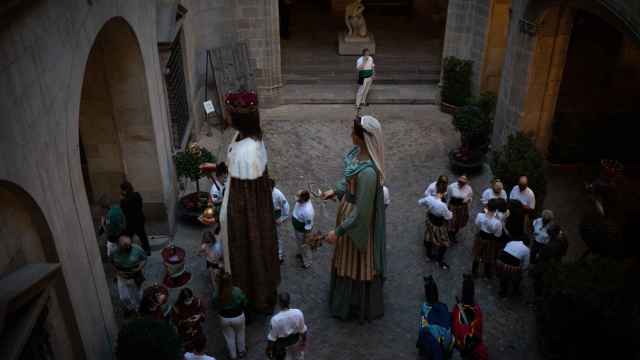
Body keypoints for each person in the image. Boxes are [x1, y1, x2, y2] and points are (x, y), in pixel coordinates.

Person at [218, 91, 280, 313]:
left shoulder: (249, 151)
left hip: (247, 216)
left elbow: (246, 198)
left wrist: (232, 218)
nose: (225, 117)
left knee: (249, 253)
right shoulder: (243, 137)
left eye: (229, 113)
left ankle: (253, 297)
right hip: (248, 204)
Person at [322, 115, 386, 322]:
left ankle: (353, 305)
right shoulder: (358, 157)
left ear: (361, 138)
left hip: (355, 224)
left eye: (353, 132)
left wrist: (338, 231)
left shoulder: (368, 173)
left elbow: (362, 213)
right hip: (347, 215)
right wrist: (336, 190)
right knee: (344, 258)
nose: (350, 135)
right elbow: (349, 183)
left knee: (353, 263)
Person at [416, 276, 454, 360]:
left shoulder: (425, 309)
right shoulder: (444, 307)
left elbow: (423, 328)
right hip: (446, 342)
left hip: (435, 345)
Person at [452, 275, 488, 360]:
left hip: (460, 345)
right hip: (474, 346)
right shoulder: (477, 310)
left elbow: (454, 327)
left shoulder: (457, 309)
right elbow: (479, 331)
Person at [419, 182, 453, 270]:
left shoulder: (429, 198)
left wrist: (428, 207)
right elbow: (448, 216)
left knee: (429, 237)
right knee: (444, 243)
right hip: (438, 225)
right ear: (445, 192)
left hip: (430, 221)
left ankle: (429, 255)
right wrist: (451, 212)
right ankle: (439, 259)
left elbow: (420, 202)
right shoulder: (443, 205)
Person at [111, 234, 147, 315]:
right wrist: (117, 272)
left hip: (135, 276)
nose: (127, 248)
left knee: (138, 294)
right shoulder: (113, 252)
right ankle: (130, 307)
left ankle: (138, 307)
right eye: (124, 246)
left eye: (129, 245)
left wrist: (139, 268)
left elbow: (144, 259)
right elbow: (112, 263)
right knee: (123, 297)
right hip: (122, 277)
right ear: (118, 246)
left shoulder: (137, 249)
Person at [215, 273, 248, 360]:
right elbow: (245, 301)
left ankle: (233, 356)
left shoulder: (217, 293)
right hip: (238, 316)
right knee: (240, 334)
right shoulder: (236, 291)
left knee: (229, 337)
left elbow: (214, 304)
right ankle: (241, 352)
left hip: (224, 318)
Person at [266, 292, 308, 360]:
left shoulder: (275, 320)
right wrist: (304, 342)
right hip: (295, 343)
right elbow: (303, 331)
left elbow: (272, 339)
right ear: (289, 302)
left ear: (279, 303)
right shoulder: (298, 313)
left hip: (282, 348)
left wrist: (268, 350)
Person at [531, 224, 568, 299]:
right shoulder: (563, 237)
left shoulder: (550, 246)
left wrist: (538, 255)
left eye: (549, 234)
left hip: (547, 263)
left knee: (540, 279)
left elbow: (542, 256)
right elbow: (564, 250)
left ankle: (539, 296)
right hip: (557, 259)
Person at [471, 199, 503, 279]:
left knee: (477, 254)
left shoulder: (479, 215)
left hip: (480, 237)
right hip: (490, 240)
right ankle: (486, 273)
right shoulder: (497, 222)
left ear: (487, 206)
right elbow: (498, 235)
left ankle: (474, 271)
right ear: (496, 209)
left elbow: (477, 224)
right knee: (488, 256)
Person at [171, 288, 207, 353]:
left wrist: (199, 316)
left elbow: (203, 311)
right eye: (187, 301)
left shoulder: (197, 302)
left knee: (199, 344)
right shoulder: (177, 307)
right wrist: (185, 321)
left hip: (197, 328)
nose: (189, 302)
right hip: (184, 332)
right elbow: (175, 320)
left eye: (190, 299)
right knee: (188, 349)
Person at [120, 181, 151, 255]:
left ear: (124, 190)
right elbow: (140, 205)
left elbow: (124, 211)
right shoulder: (137, 195)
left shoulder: (124, 200)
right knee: (142, 236)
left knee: (128, 237)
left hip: (131, 221)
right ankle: (147, 250)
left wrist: (122, 199)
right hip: (139, 219)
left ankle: (128, 252)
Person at [497, 233, 530, 298]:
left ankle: (503, 290)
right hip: (512, 263)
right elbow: (526, 263)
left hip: (502, 259)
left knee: (504, 275)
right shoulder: (527, 249)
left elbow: (504, 249)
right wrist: (522, 270)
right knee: (517, 276)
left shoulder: (512, 242)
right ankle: (515, 290)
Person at [292, 190, 314, 269]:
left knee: (305, 246)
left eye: (298, 196)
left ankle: (307, 262)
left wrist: (306, 239)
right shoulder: (300, 201)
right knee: (299, 242)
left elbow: (308, 228)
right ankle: (300, 253)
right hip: (297, 229)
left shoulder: (308, 211)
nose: (296, 198)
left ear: (303, 198)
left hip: (302, 231)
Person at [448, 175, 473, 243]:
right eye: (460, 182)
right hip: (453, 206)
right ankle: (449, 232)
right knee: (451, 220)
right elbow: (448, 196)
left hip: (462, 207)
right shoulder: (452, 186)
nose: (461, 184)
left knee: (459, 221)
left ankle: (454, 233)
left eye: (463, 183)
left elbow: (470, 197)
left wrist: (468, 199)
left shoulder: (469, 188)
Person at [199, 227, 224, 293]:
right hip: (209, 262)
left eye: (209, 242)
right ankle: (215, 287)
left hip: (216, 263)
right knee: (212, 274)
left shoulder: (218, 247)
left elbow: (221, 256)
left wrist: (221, 262)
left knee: (216, 276)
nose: (208, 244)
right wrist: (201, 253)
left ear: (212, 239)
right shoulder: (204, 245)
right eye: (206, 242)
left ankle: (217, 287)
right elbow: (201, 250)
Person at [271, 179, 290, 263]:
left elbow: (286, 206)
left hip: (276, 216)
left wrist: (282, 218)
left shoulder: (278, 194)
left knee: (278, 237)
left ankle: (279, 255)